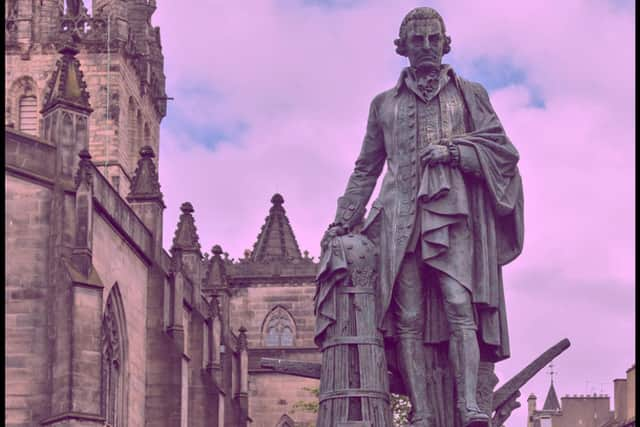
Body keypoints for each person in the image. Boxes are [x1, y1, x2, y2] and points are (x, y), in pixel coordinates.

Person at [322, 7, 524, 427]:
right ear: (403, 48)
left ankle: (470, 405)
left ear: (446, 43)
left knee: (458, 304)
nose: (427, 46)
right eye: (418, 40)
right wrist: (343, 219)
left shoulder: (470, 94)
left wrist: (456, 152)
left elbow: (502, 150)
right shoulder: (383, 105)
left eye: (434, 39)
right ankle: (423, 413)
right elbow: (367, 168)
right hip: (397, 219)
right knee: (408, 318)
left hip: (453, 215)